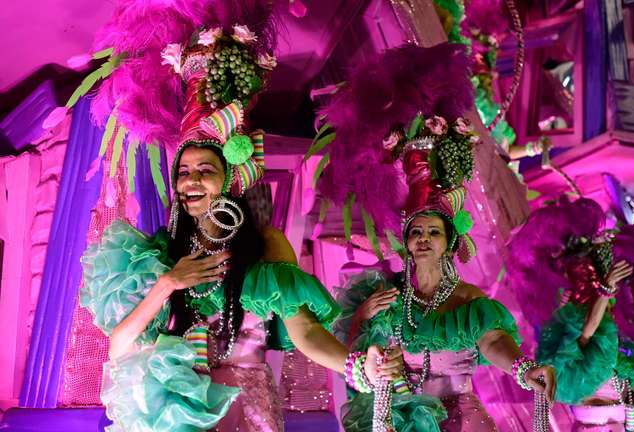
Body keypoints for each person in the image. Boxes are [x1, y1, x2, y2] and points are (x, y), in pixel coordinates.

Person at [78, 2, 402, 430]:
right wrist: (168, 283)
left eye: (205, 171)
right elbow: (119, 348)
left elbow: (303, 330)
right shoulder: (154, 255)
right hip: (183, 415)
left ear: (231, 178)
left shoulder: (267, 246)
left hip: (249, 413)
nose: (190, 181)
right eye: (184, 172)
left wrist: (357, 366)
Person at [313, 42, 556, 431]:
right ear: (406, 242)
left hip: (460, 420)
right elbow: (357, 357)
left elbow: (493, 341)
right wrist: (362, 314)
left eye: (433, 232)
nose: (424, 238)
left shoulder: (468, 300)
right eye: (417, 232)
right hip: (403, 419)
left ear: (448, 241)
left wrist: (524, 371)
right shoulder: (386, 294)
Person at [507, 198, 634, 432]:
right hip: (594, 419)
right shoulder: (580, 336)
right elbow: (586, 333)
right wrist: (605, 290)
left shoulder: (619, 354)